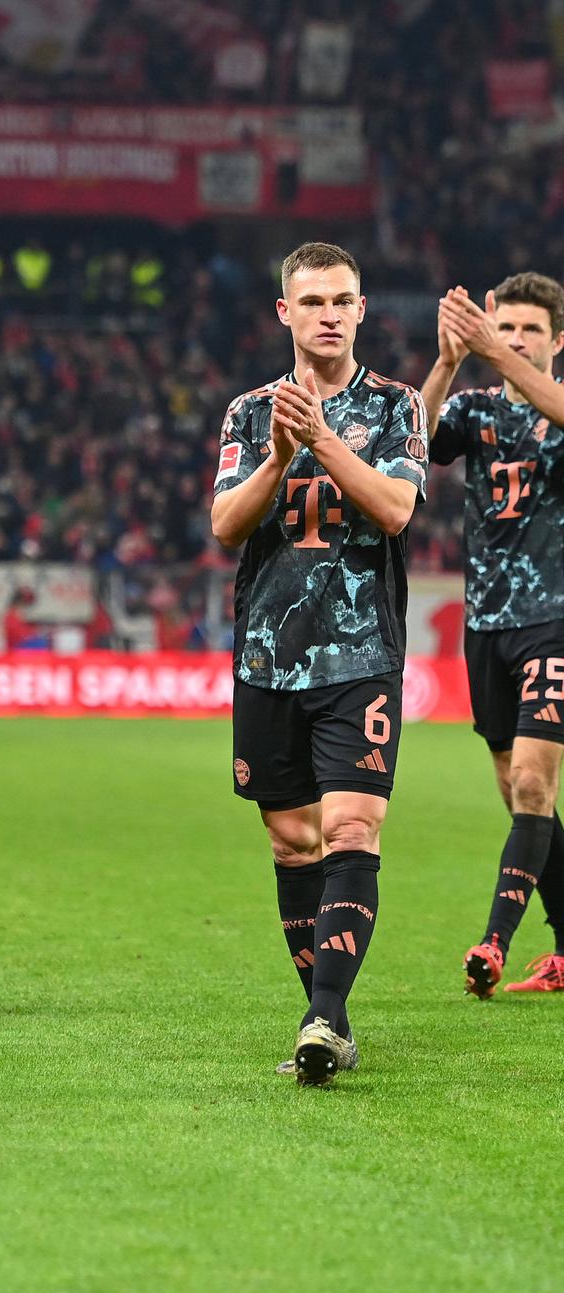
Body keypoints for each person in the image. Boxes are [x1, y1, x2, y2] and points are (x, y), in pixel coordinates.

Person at [210, 242, 427, 1085]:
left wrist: (324, 441)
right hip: (269, 659)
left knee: (350, 829)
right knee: (294, 841)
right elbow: (227, 526)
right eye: (314, 302)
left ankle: (325, 1018)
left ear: (363, 310)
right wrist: (276, 453)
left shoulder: (397, 406)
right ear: (286, 314)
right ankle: (322, 1009)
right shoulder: (244, 413)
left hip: (362, 656)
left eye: (343, 300)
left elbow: (397, 509)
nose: (329, 314)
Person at [421, 273, 564, 996]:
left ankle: (493, 944)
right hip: (487, 627)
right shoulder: (474, 408)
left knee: (536, 782)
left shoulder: (558, 410)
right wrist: (449, 358)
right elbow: (408, 449)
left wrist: (488, 352)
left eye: (530, 330)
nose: (513, 340)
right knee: (518, 791)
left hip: (554, 621)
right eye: (503, 328)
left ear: (558, 340)